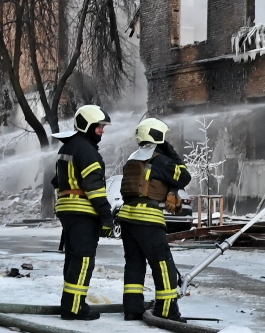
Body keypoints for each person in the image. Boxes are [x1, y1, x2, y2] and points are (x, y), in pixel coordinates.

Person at [117, 118, 191, 321]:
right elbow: (184, 176)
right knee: (163, 264)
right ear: (158, 136)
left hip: (127, 217)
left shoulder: (132, 160)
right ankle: (167, 310)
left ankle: (132, 309)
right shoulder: (161, 160)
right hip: (148, 218)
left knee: (134, 263)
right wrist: (170, 151)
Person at [52, 105, 112, 320]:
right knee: (84, 259)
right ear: (86, 125)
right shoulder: (87, 151)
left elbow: (56, 180)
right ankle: (75, 307)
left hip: (67, 209)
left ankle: (69, 304)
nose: (102, 130)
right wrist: (106, 216)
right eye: (99, 126)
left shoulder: (69, 147)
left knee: (73, 259)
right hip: (83, 210)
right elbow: (94, 187)